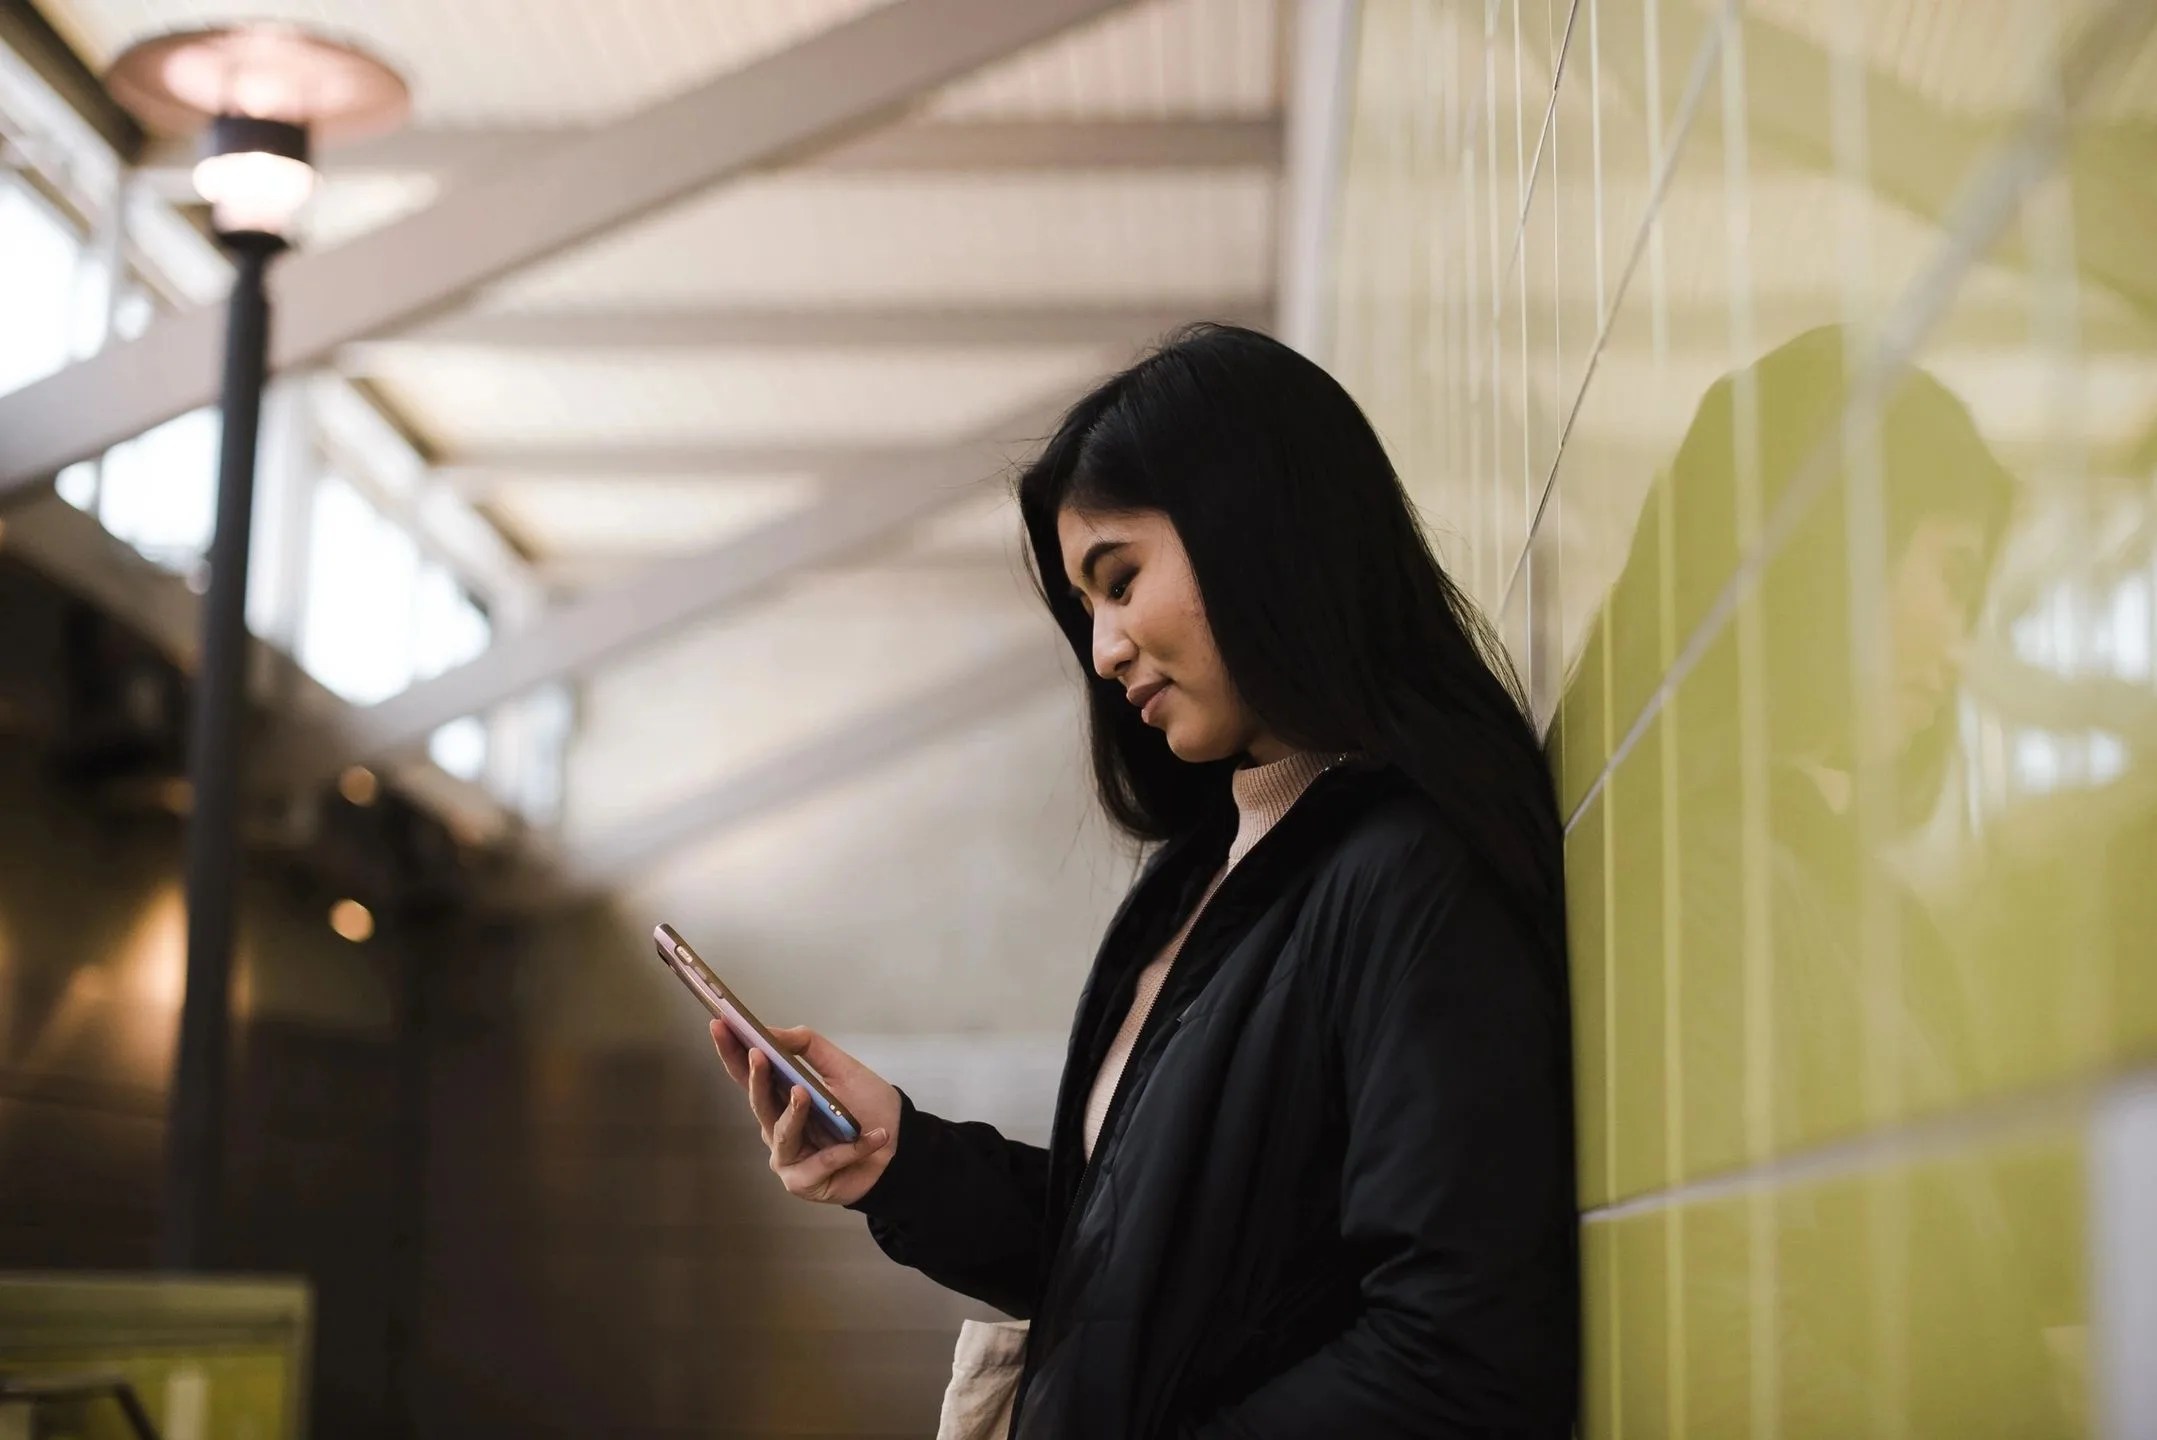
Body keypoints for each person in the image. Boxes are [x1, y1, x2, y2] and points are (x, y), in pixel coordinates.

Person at [708, 323, 1579, 1439]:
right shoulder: (1209, 878)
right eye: (1088, 609)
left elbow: (1456, 1352)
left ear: (1259, 527)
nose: (1106, 647)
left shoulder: (1409, 872)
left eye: (1118, 582)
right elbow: (1139, 1278)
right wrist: (902, 1160)